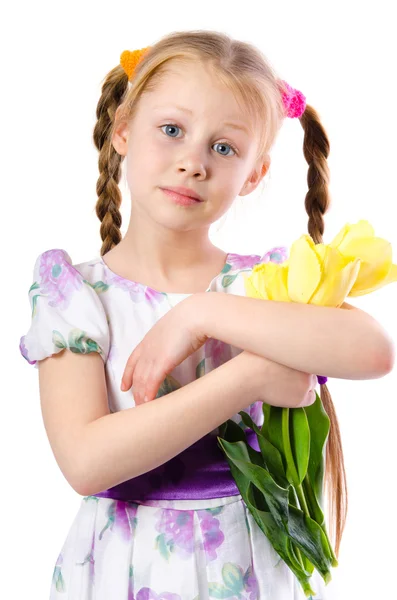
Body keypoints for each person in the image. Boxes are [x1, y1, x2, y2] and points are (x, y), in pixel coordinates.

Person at [19, 29, 344, 599]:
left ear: (255, 173)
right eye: (171, 130)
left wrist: (201, 314)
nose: (193, 162)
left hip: (245, 571)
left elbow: (373, 349)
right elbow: (86, 462)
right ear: (123, 130)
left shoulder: (263, 284)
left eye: (224, 147)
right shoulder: (75, 294)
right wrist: (246, 376)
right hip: (124, 569)